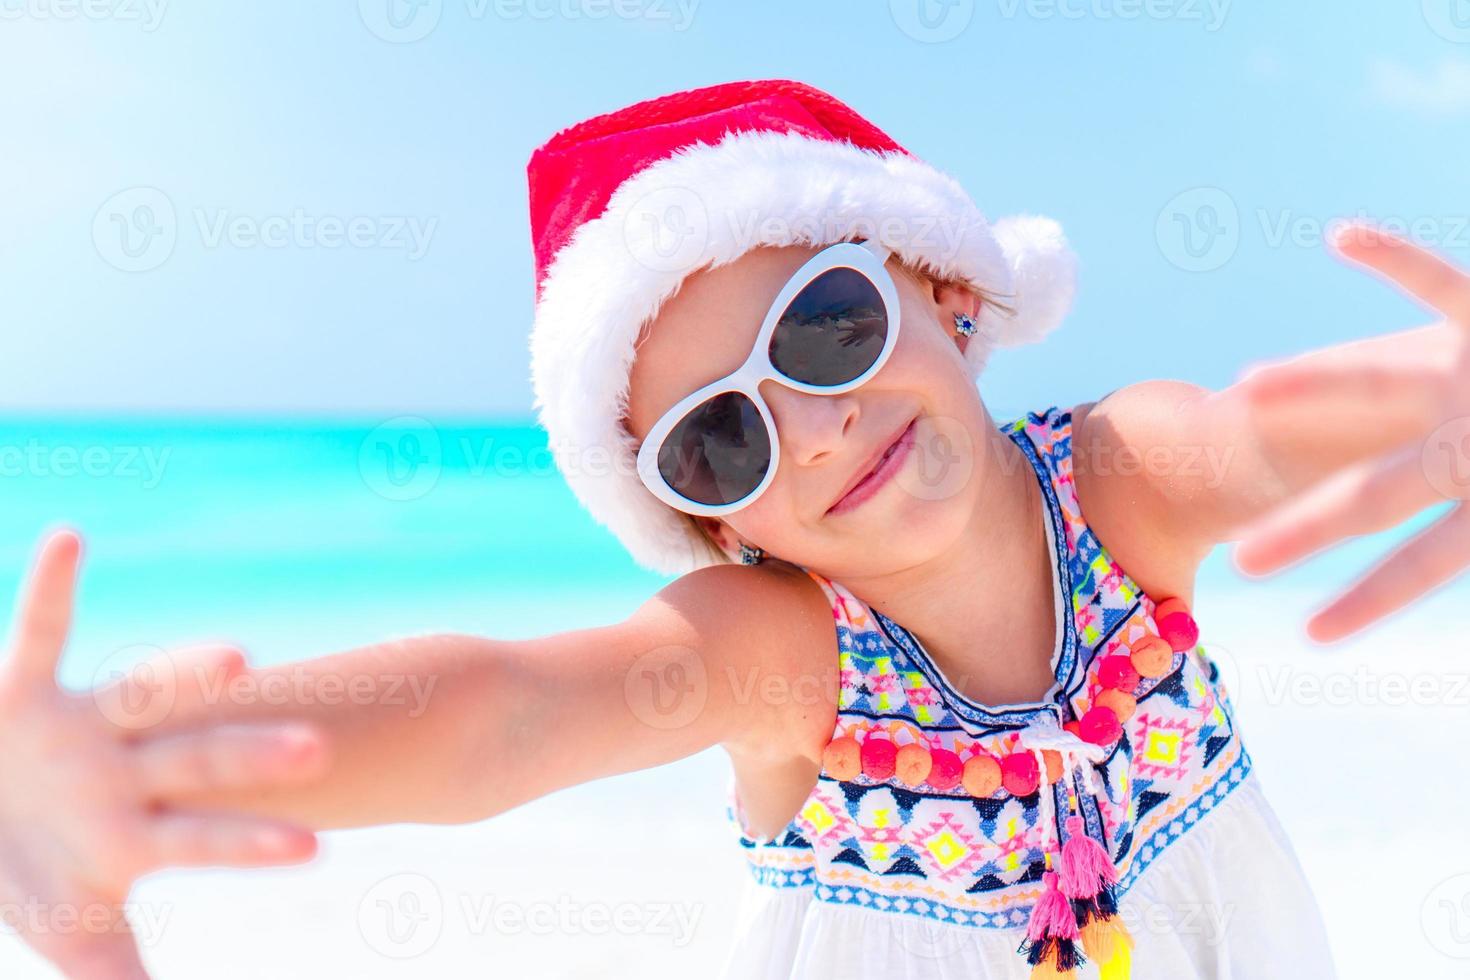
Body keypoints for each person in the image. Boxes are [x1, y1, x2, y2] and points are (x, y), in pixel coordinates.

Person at [3, 79, 1468, 979]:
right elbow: (505, 712)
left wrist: (1433, 396)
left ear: (945, 287)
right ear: (706, 522)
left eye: (823, 326)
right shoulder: (792, 660)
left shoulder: (1116, 484)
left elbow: (1262, 432)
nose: (815, 421)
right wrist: (124, 774)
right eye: (723, 435)